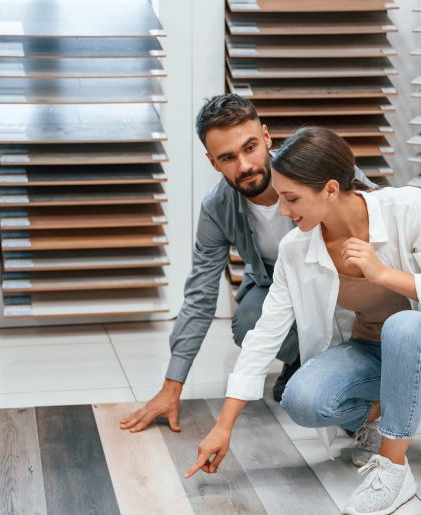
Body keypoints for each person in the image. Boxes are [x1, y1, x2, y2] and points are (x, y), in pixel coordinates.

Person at [184, 127, 421, 515]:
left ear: (329, 189)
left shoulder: (407, 207)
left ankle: (394, 471)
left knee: (403, 326)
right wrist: (224, 425)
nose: (284, 211)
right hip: (370, 352)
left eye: (291, 199)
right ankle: (380, 411)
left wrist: (382, 274)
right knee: (301, 398)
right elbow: (264, 337)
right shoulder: (297, 249)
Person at [119, 94, 376, 434]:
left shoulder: (318, 170)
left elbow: (382, 217)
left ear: (267, 138)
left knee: (338, 383)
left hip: (343, 287)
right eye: (228, 157)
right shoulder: (216, 208)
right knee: (249, 320)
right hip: (276, 288)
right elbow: (200, 296)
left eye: (250, 147)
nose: (244, 165)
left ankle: (349, 373)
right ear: (213, 163)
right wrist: (172, 386)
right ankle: (304, 365)